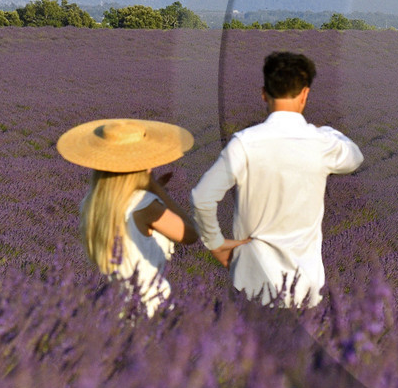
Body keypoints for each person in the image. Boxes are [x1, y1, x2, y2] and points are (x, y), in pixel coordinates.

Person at [191, 50, 363, 307]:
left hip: (251, 283)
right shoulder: (321, 143)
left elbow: (202, 198)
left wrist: (215, 244)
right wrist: (323, 130)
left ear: (264, 93)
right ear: (305, 93)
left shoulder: (244, 144)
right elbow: (355, 156)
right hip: (304, 287)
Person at [55, 118, 199, 317]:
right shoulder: (144, 205)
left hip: (118, 310)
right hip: (152, 311)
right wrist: (155, 187)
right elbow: (190, 234)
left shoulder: (94, 203)